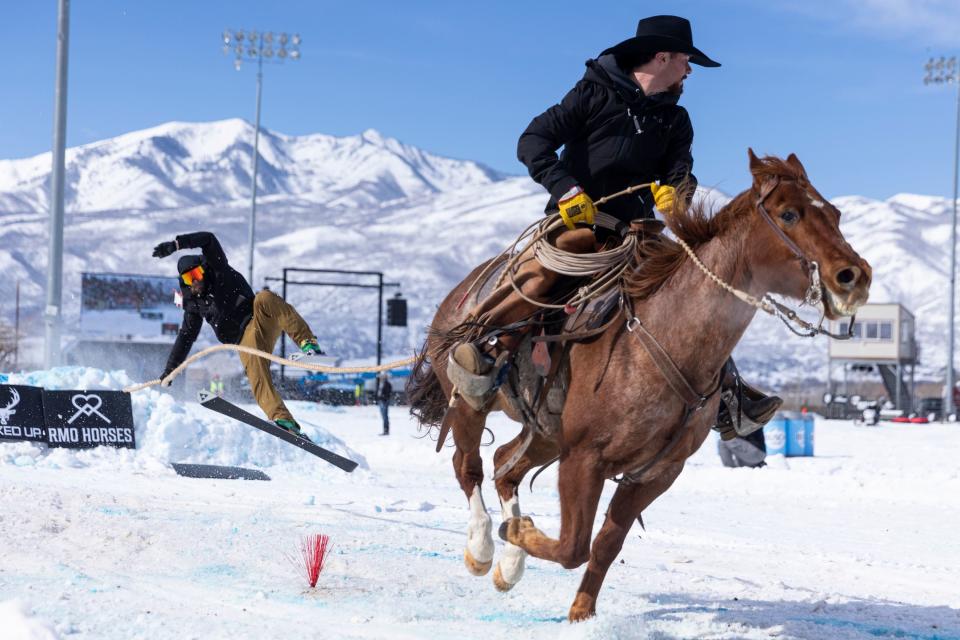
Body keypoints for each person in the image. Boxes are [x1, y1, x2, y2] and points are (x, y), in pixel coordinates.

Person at [448, 14, 780, 437]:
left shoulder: (676, 121)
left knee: (695, 291)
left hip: (637, 233)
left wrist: (676, 193)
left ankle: (727, 394)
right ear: (662, 58)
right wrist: (566, 189)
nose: (689, 70)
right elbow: (532, 142)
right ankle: (485, 355)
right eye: (685, 60)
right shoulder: (591, 95)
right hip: (578, 222)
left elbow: (681, 171)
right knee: (540, 280)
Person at [153, 231, 325, 439]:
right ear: (185, 282)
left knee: (265, 297)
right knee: (257, 376)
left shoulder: (218, 269)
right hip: (243, 342)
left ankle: (306, 341)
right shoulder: (192, 304)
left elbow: (208, 238)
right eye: (190, 279)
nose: (196, 281)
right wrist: (170, 370)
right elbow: (186, 336)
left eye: (197, 274)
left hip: (260, 320)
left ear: (202, 270)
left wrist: (177, 244)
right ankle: (283, 420)